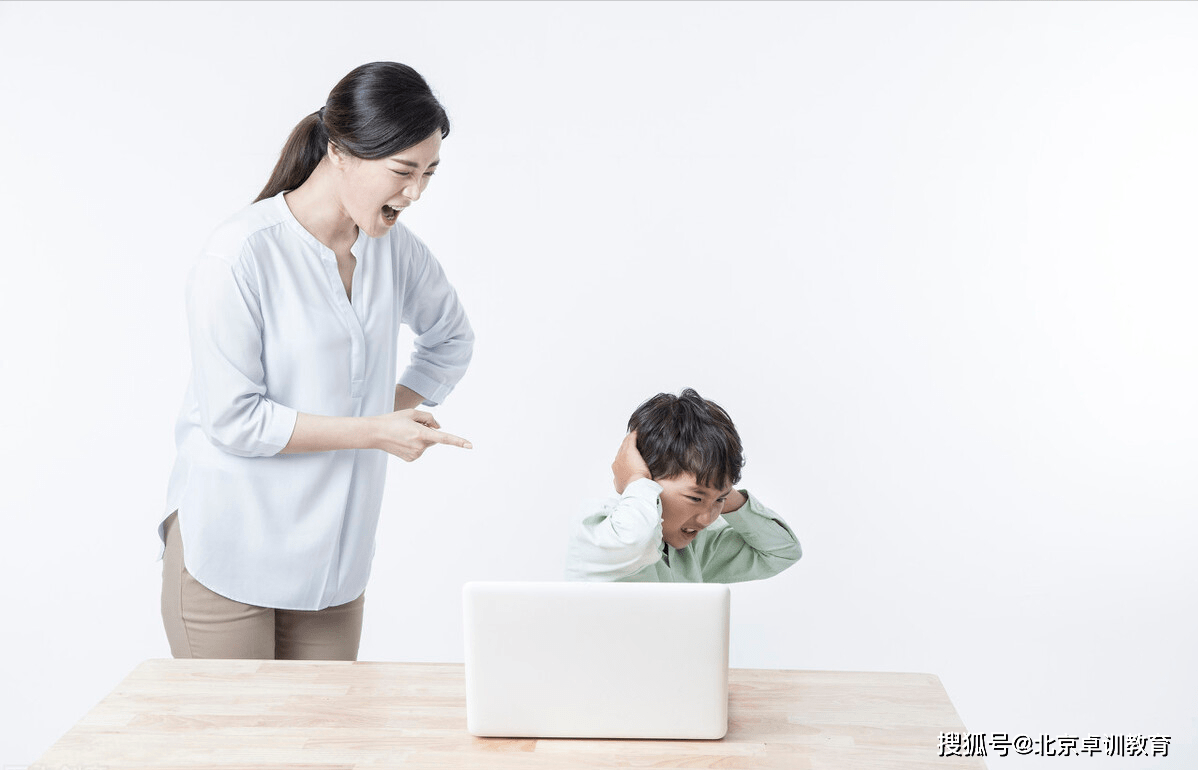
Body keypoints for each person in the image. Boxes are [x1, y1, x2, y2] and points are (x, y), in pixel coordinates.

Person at [158, 62, 474, 660]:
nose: (415, 193)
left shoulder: (395, 251)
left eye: (429, 173)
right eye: (403, 171)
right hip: (229, 547)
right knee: (240, 751)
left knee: (324, 745)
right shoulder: (240, 255)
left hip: (332, 564)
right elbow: (234, 420)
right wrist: (374, 428)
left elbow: (451, 339)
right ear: (340, 152)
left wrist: (386, 411)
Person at [565, 389, 801, 582]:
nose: (708, 518)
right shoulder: (599, 531)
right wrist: (636, 479)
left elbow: (782, 551)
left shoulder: (695, 549)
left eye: (720, 500)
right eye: (695, 498)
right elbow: (636, 540)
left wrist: (721, 490)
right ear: (649, 479)